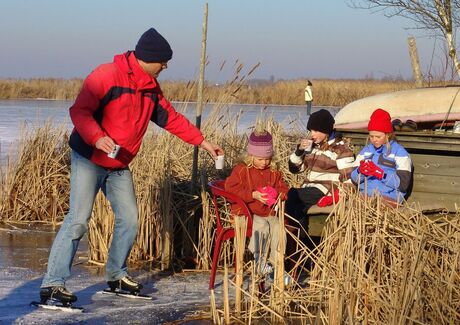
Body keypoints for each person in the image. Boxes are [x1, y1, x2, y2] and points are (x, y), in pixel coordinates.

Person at [39, 27, 223, 305]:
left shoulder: (150, 88)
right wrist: (97, 137)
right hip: (89, 158)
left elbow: (171, 119)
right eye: (163, 60)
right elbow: (79, 111)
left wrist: (203, 143)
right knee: (78, 221)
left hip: (119, 164)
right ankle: (53, 283)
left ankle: (116, 276)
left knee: (131, 220)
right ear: (148, 58)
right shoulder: (106, 75)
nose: (166, 65)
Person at [224, 130, 289, 275]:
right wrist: (252, 195)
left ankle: (276, 265)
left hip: (268, 212)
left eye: (267, 159)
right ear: (250, 156)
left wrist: (278, 195)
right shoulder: (242, 170)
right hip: (246, 213)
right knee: (262, 225)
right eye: (260, 159)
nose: (264, 162)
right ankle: (260, 260)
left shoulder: (274, 171)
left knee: (279, 226)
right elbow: (230, 189)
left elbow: (284, 188)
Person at [285, 109, 355, 241]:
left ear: (326, 131)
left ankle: (297, 241)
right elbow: (295, 169)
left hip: (326, 190)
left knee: (292, 194)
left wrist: (336, 196)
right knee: (298, 208)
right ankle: (302, 243)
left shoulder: (341, 150)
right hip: (309, 189)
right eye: (311, 131)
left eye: (316, 131)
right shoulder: (314, 147)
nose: (312, 134)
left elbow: (349, 178)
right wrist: (299, 151)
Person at [351, 108, 412, 205]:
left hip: (390, 196)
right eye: (371, 136)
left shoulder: (400, 153)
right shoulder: (365, 152)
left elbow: (403, 185)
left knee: (377, 208)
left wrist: (382, 174)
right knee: (354, 205)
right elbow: (354, 180)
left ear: (388, 135)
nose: (374, 140)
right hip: (366, 194)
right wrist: (360, 172)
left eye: (378, 137)